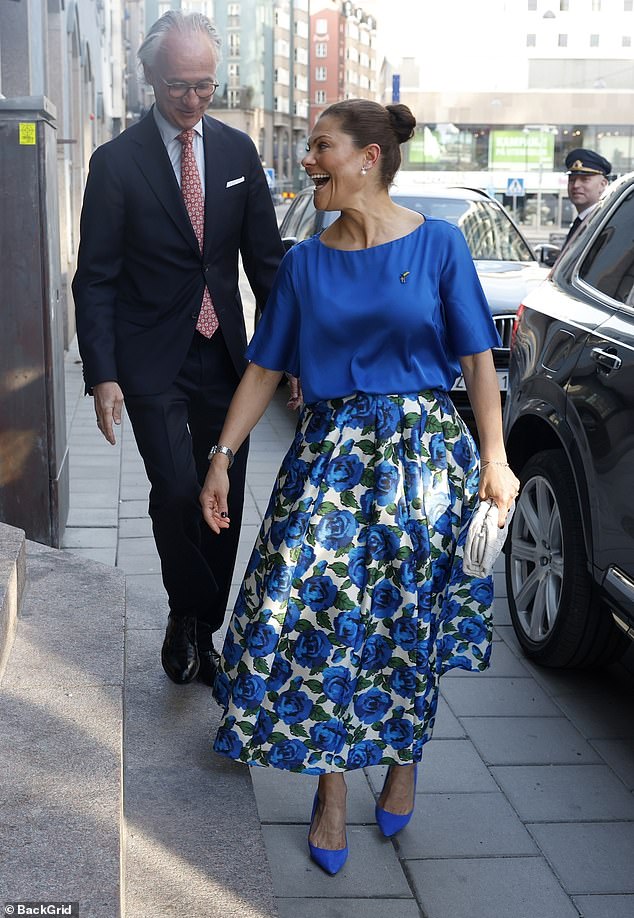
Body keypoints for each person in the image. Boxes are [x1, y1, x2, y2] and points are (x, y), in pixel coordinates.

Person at [200, 99, 520, 875]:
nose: (308, 161)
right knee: (321, 621)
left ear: (369, 158)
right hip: (330, 464)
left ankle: (404, 757)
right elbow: (265, 366)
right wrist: (222, 455)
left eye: (322, 147)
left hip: (424, 462)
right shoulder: (305, 262)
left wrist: (496, 458)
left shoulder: (439, 245)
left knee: (408, 624)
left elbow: (477, 359)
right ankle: (332, 792)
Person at [72, 11, 285, 687]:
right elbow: (95, 278)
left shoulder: (237, 153)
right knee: (173, 490)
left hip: (225, 355)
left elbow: (267, 265)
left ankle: (201, 626)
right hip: (150, 360)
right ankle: (186, 610)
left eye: (205, 86)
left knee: (225, 494)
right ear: (149, 78)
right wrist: (103, 373)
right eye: (178, 86)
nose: (193, 100)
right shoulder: (115, 163)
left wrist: (290, 357)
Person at [561, 148, 611, 251]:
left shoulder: (602, 224)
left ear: (603, 184)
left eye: (585, 180)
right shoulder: (584, 221)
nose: (576, 185)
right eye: (572, 180)